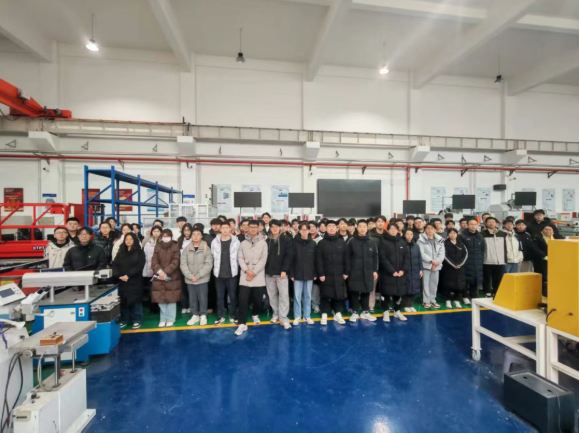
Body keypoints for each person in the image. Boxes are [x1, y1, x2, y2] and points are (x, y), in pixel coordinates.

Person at [236, 220, 268, 336]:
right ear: (248, 228)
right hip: (245, 276)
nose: (253, 229)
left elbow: (263, 260)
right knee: (243, 300)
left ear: (259, 228)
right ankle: (242, 323)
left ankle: (255, 314)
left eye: (255, 227)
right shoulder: (243, 243)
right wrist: (246, 271)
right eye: (251, 227)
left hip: (258, 276)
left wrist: (253, 272)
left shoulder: (263, 243)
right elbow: (240, 258)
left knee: (257, 300)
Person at [316, 220, 348, 325]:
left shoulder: (342, 242)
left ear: (337, 228)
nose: (331, 228)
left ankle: (337, 313)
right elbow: (318, 260)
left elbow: (346, 258)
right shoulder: (321, 243)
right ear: (326, 228)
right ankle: (324, 313)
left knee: (338, 294)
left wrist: (346, 272)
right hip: (326, 274)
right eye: (329, 226)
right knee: (325, 293)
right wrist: (321, 273)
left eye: (333, 226)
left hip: (339, 273)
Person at [345, 220, 378, 323]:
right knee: (354, 292)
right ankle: (354, 311)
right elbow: (346, 257)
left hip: (368, 271)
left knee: (366, 291)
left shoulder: (371, 241)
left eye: (364, 226)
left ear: (367, 228)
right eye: (360, 226)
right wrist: (347, 271)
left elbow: (375, 257)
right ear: (357, 228)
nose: (362, 228)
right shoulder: (352, 241)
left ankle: (365, 311)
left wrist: (374, 270)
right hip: (354, 271)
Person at [112, 233, 146, 329]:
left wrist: (129, 275)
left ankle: (137, 319)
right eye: (127, 239)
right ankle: (124, 319)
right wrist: (119, 275)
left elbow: (139, 266)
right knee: (123, 301)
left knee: (136, 301)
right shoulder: (121, 252)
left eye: (131, 239)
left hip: (135, 280)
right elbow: (115, 265)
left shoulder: (139, 252)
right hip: (122, 280)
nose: (128, 241)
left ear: (134, 240)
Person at [180, 227, 213, 326]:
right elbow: (183, 264)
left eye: (198, 234)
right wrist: (190, 276)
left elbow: (208, 264)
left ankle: (203, 315)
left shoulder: (206, 248)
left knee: (203, 297)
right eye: (193, 234)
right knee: (192, 298)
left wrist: (198, 276)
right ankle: (194, 315)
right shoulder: (187, 248)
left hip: (202, 278)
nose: (196, 236)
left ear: (202, 236)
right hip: (190, 279)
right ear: (191, 236)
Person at [264, 220, 294, 329]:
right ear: (270, 228)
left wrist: (284, 270)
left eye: (277, 226)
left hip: (281, 273)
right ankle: (275, 314)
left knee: (284, 296)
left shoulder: (286, 240)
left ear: (280, 227)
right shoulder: (267, 240)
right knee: (272, 295)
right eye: (272, 227)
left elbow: (289, 256)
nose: (275, 228)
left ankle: (283, 317)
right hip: (269, 273)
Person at [211, 221, 241, 325]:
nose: (224, 230)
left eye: (226, 228)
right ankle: (221, 316)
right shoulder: (215, 241)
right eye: (223, 228)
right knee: (220, 296)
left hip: (232, 274)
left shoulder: (236, 241)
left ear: (230, 229)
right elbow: (212, 255)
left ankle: (233, 315)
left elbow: (239, 257)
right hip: (218, 274)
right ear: (220, 229)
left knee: (233, 296)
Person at [151, 229, 181, 328]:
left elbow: (176, 261)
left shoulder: (175, 245)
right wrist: (160, 272)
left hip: (172, 276)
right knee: (161, 298)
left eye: (167, 236)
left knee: (171, 298)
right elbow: (154, 261)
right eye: (164, 236)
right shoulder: (158, 245)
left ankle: (170, 319)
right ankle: (163, 319)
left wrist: (166, 272)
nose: (166, 238)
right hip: (159, 276)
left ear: (171, 237)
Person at [379, 223, 409, 321]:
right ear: (387, 230)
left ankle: (397, 311)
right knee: (386, 293)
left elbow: (407, 258)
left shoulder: (402, 242)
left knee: (399, 293)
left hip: (400, 274)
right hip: (387, 274)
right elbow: (382, 258)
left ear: (398, 230)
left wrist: (403, 270)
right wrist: (391, 271)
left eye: (395, 229)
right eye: (391, 229)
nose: (393, 230)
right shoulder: (383, 242)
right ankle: (385, 311)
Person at [291, 223, 317, 326]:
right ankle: (297, 316)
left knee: (308, 296)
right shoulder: (294, 243)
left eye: (306, 230)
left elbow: (316, 260)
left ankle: (307, 316)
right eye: (302, 230)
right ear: (299, 231)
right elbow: (291, 259)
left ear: (309, 231)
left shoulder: (313, 243)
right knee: (297, 296)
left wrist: (315, 273)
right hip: (297, 274)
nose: (304, 232)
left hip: (309, 274)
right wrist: (291, 274)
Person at [417, 223, 445, 309]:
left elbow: (442, 253)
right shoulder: (421, 239)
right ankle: (426, 301)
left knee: (434, 284)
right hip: (426, 265)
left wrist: (437, 262)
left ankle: (433, 300)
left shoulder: (440, 240)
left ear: (435, 230)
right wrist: (431, 261)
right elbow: (421, 253)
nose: (430, 230)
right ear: (425, 229)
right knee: (425, 284)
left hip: (436, 265)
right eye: (428, 228)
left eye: (432, 228)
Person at [459, 218, 485, 304]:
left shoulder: (480, 236)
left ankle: (474, 295)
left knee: (475, 279)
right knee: (466, 280)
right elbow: (460, 250)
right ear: (467, 225)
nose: (473, 226)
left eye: (475, 224)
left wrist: (480, 259)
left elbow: (482, 249)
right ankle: (465, 296)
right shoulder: (462, 236)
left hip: (477, 261)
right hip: (466, 262)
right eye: (471, 224)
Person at [440, 228, 468, 309]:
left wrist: (460, 264)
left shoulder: (461, 244)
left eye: (454, 233)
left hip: (460, 268)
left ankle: (457, 300)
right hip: (448, 267)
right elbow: (444, 255)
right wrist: (453, 264)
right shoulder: (444, 243)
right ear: (448, 234)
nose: (452, 235)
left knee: (459, 284)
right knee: (447, 284)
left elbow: (465, 254)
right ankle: (448, 300)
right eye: (451, 233)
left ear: (457, 234)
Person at [481, 217, 507, 297]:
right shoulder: (482, 234)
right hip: (487, 260)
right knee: (487, 278)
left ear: (496, 223)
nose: (491, 223)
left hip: (500, 260)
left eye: (493, 222)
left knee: (499, 278)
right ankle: (487, 292)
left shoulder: (502, 233)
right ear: (485, 224)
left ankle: (497, 292)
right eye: (489, 222)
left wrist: (505, 259)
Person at [142, 225, 162, 313]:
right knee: (152, 290)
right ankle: (153, 308)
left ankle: (161, 308)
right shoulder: (148, 243)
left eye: (158, 231)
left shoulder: (163, 243)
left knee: (161, 290)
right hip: (150, 270)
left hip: (161, 271)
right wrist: (145, 271)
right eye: (154, 231)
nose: (156, 233)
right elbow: (145, 258)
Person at [369, 215, 387, 311]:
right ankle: (371, 305)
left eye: (382, 221)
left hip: (385, 264)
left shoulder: (387, 235)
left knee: (386, 286)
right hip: (373, 264)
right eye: (378, 221)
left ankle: (385, 305)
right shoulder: (370, 235)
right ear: (375, 223)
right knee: (372, 286)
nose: (380, 223)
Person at [402, 229, 421, 313]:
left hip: (415, 269)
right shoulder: (402, 245)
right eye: (407, 234)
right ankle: (405, 305)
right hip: (406, 270)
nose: (409, 236)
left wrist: (420, 269)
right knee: (406, 288)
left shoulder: (416, 246)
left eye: (411, 234)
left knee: (414, 287)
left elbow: (419, 258)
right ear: (404, 235)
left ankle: (411, 304)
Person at [533, 225, 554, 296]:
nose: (548, 231)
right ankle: (543, 292)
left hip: (553, 260)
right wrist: (544, 256)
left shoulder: (556, 238)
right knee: (543, 276)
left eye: (550, 229)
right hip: (542, 260)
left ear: (553, 231)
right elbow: (536, 248)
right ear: (542, 230)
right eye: (546, 229)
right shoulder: (538, 238)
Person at [178, 223, 194, 314]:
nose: (187, 232)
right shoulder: (179, 240)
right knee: (183, 288)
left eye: (188, 230)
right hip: (182, 267)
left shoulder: (194, 240)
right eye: (185, 230)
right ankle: (184, 305)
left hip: (193, 267)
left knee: (191, 288)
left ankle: (192, 305)